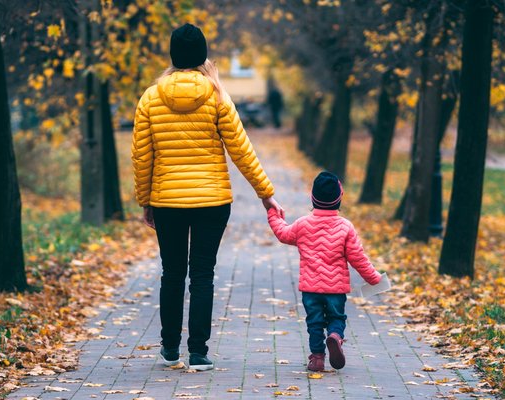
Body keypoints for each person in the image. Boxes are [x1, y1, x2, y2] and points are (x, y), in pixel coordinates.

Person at [131, 23, 284, 371]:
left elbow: (142, 156)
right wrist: (266, 194)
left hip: (167, 201)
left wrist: (146, 200)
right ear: (202, 55)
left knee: (172, 273)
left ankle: (170, 349)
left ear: (173, 55)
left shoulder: (151, 98)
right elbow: (241, 150)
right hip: (212, 202)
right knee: (202, 275)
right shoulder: (217, 96)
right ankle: (198, 353)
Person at [266, 171, 381, 371]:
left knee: (315, 323)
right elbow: (358, 258)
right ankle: (335, 336)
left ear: (313, 198)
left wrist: (272, 213)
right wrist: (374, 278)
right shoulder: (346, 227)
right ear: (339, 199)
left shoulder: (303, 224)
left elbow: (283, 234)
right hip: (336, 289)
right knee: (337, 318)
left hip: (310, 289)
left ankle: (317, 358)